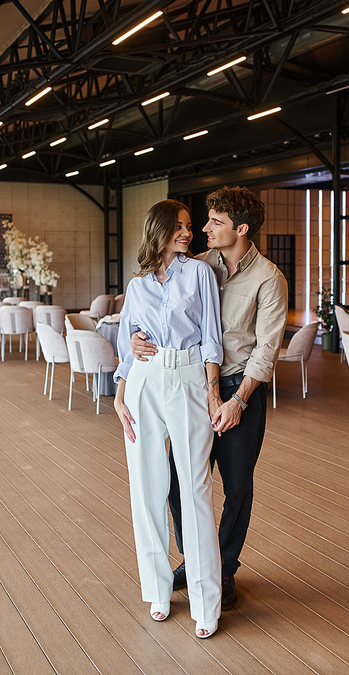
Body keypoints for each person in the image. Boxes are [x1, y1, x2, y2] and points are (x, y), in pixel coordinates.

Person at [131, 186, 288, 611]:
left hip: (241, 391)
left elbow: (266, 350)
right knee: (181, 480)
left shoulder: (269, 279)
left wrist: (236, 400)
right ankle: (197, 558)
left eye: (215, 222)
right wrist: (134, 338)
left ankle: (223, 568)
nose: (203, 228)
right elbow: (160, 313)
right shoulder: (196, 265)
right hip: (196, 387)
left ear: (240, 229)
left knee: (237, 486)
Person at [114, 199, 223, 639]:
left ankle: (205, 600)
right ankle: (159, 590)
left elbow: (212, 338)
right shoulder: (137, 285)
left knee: (195, 488)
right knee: (147, 489)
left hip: (187, 378)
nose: (187, 233)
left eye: (189, 227)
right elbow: (126, 349)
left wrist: (214, 394)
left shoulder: (200, 274)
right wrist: (120, 397)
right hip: (142, 384)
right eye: (178, 226)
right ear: (158, 230)